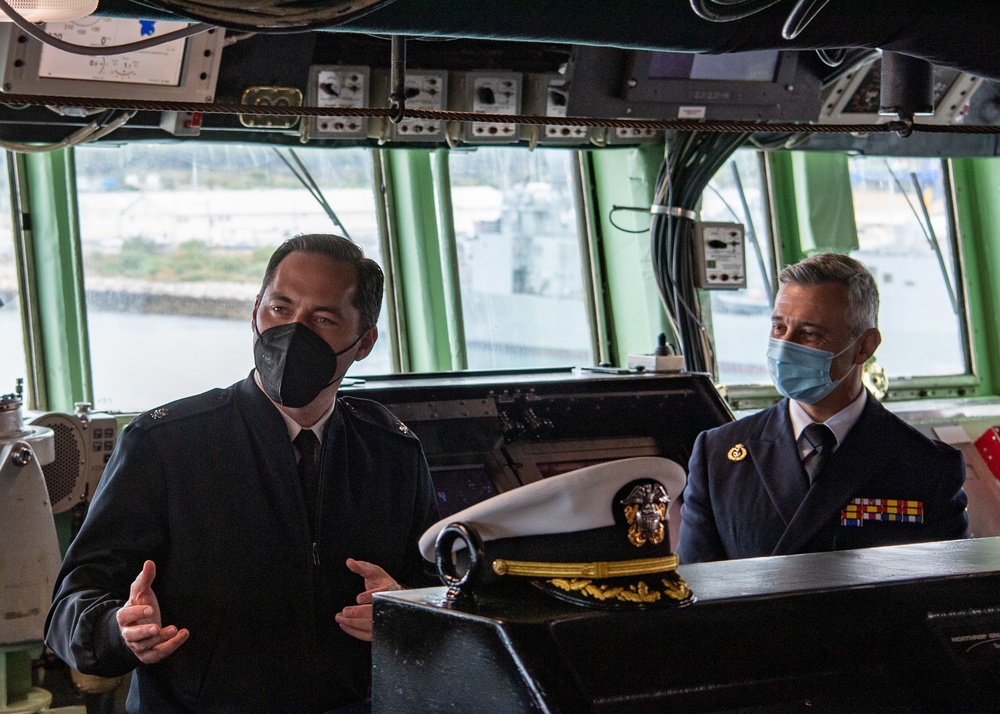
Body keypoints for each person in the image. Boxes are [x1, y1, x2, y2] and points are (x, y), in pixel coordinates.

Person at [45, 234, 440, 713]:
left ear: (365, 342)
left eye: (322, 318)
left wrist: (407, 609)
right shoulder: (164, 446)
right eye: (280, 308)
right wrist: (118, 629)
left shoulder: (391, 452)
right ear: (254, 312)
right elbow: (71, 606)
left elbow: (444, 590)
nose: (293, 332)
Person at [675, 252, 968, 564]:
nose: (785, 346)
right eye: (778, 328)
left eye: (809, 333)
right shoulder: (718, 455)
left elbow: (943, 594)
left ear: (864, 346)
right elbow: (698, 588)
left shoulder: (927, 467)